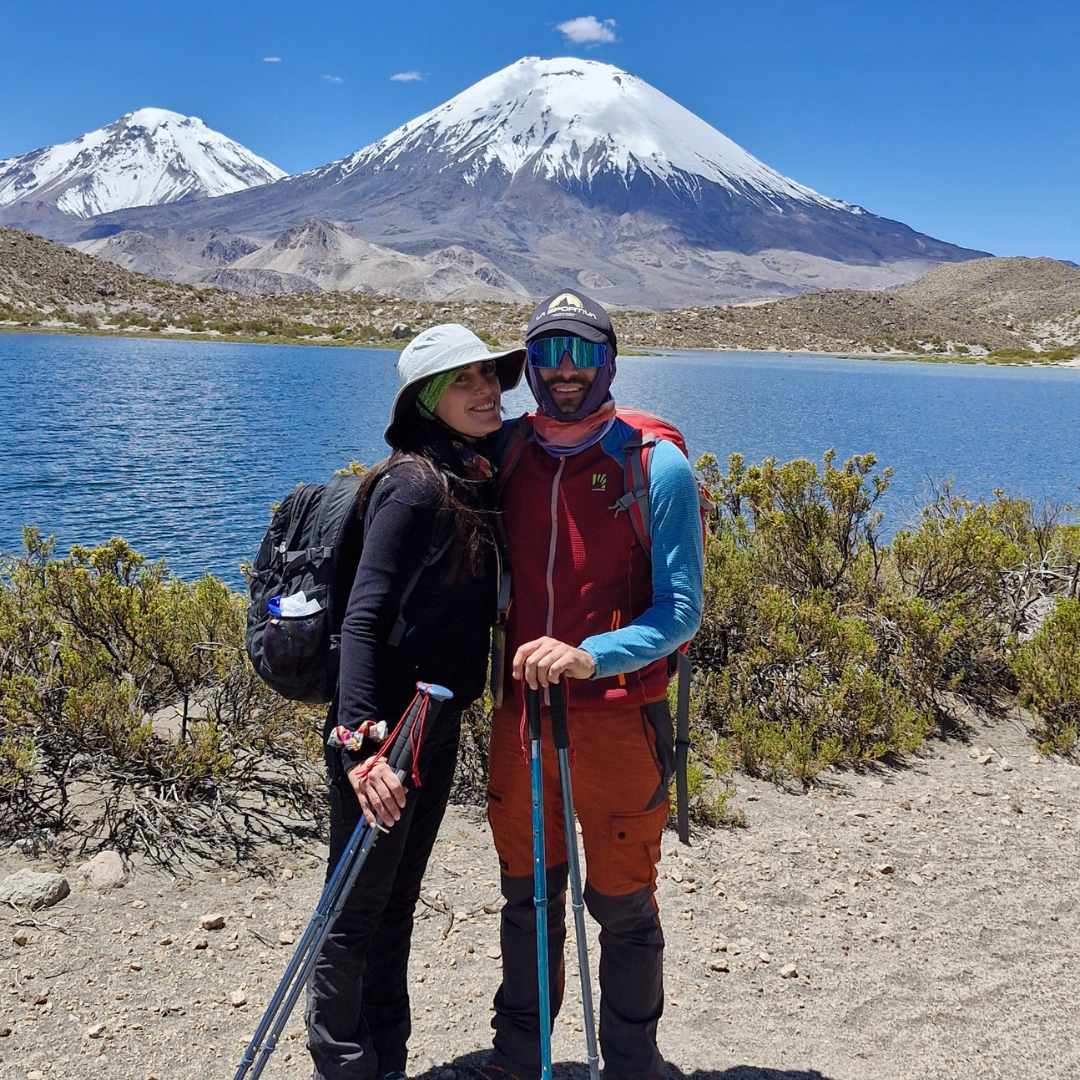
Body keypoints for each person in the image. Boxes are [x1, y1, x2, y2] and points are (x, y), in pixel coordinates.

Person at [481, 291, 704, 1080]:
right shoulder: (506, 453)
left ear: (609, 361)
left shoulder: (654, 464)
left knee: (622, 905)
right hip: (521, 720)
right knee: (528, 898)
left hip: (618, 718)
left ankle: (634, 1064)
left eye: (581, 353)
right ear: (528, 366)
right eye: (548, 354)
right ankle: (520, 1059)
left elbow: (681, 610)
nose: (564, 371)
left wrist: (589, 656)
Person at [306, 324, 525, 1080]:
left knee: (396, 899)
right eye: (464, 380)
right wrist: (361, 748)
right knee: (355, 906)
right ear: (427, 399)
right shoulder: (412, 484)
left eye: (489, 375)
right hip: (384, 730)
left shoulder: (468, 475)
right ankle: (343, 1064)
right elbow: (364, 617)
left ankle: (385, 1059)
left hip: (433, 721)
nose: (486, 390)